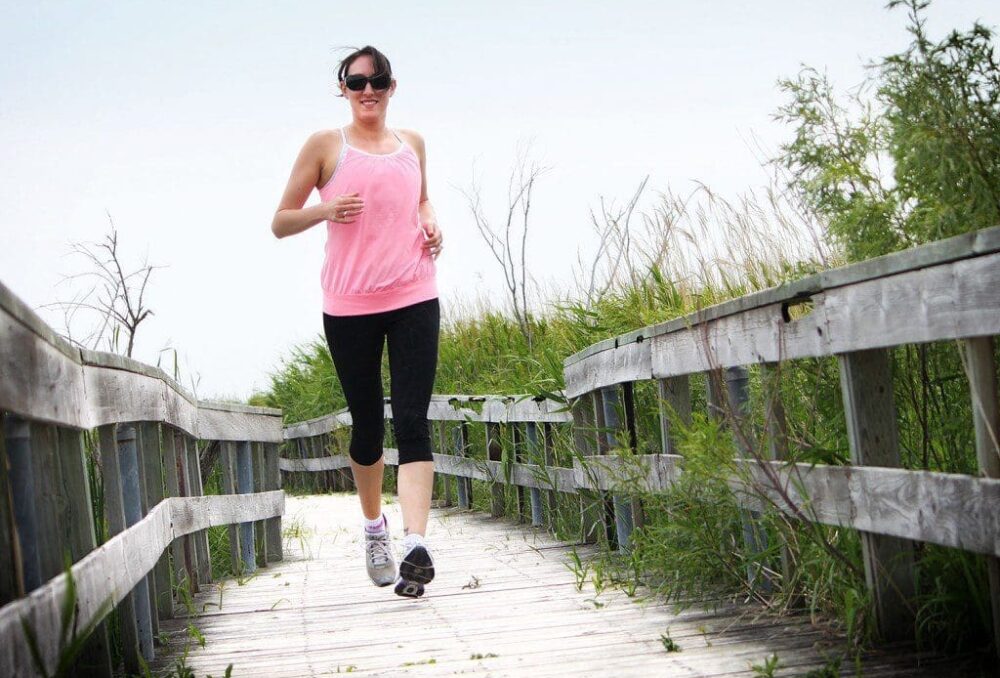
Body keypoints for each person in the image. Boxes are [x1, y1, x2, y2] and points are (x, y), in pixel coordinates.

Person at [271, 45, 443, 599]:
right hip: (349, 306)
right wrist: (325, 209)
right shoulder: (327, 146)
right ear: (342, 87)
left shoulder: (412, 144)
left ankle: (416, 543)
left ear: (393, 87)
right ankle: (376, 528)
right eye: (357, 81)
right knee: (369, 427)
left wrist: (432, 224)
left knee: (414, 420)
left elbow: (421, 201)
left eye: (379, 80)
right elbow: (279, 221)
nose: (368, 90)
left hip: (415, 293)